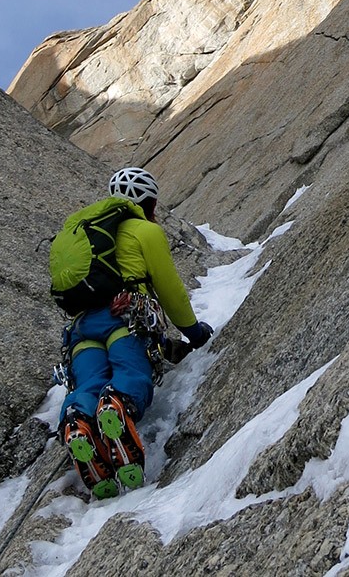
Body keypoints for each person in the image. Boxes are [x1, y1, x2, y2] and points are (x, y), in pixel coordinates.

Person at [57, 166, 213, 499]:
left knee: (88, 383)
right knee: (130, 372)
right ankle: (115, 406)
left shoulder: (85, 234)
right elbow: (170, 290)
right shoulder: (145, 231)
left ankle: (78, 420)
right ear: (148, 203)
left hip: (82, 330)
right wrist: (195, 333)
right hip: (126, 320)